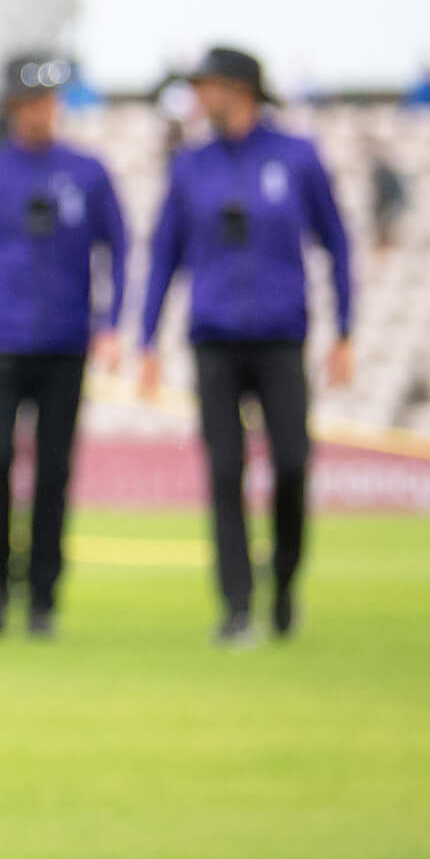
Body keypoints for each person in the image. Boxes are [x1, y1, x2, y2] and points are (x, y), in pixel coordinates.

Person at [137, 45, 354, 646]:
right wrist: (146, 338)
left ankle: (283, 583)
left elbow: (336, 242)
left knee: (291, 466)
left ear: (240, 89)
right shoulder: (190, 165)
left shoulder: (297, 157)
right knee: (224, 472)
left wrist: (345, 330)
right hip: (213, 340)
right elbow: (164, 254)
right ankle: (235, 605)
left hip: (282, 337)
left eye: (208, 85)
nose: (199, 96)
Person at [0, 54, 128, 639]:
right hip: (1, 341)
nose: (39, 113)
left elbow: (118, 250)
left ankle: (43, 596)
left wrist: (112, 324)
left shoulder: (89, 172)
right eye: (28, 103)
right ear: (13, 109)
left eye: (47, 102)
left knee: (53, 471)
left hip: (66, 344)